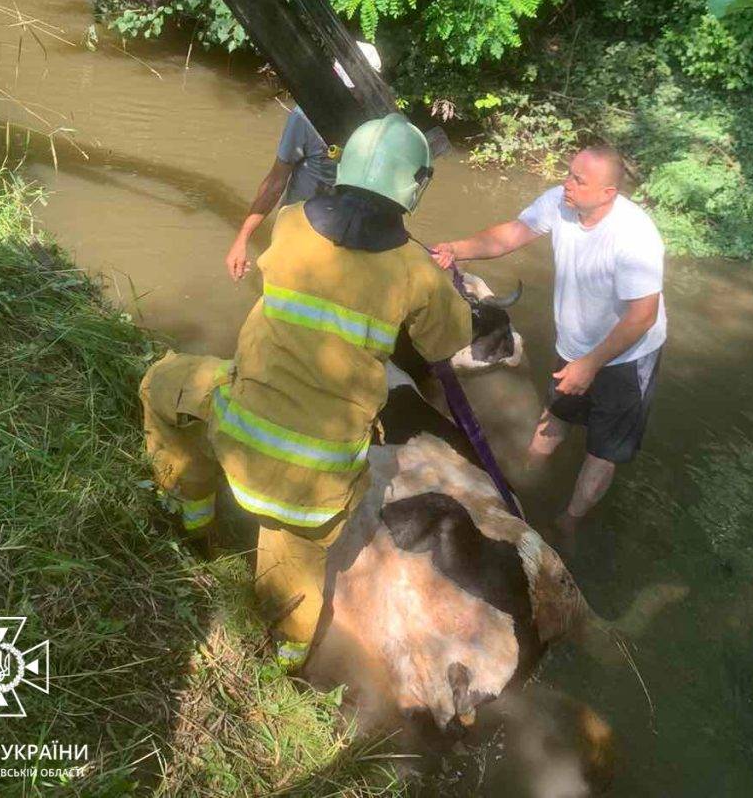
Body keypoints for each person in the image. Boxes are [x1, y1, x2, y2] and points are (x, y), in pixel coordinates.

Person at [142, 114, 472, 669]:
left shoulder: (291, 221)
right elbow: (450, 340)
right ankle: (286, 665)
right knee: (291, 575)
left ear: (346, 162)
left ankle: (190, 518)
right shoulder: (418, 274)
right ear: (415, 187)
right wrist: (447, 283)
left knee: (162, 384)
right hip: (318, 478)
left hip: (237, 430)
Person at [432, 145, 666, 537]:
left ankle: (569, 522)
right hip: (575, 343)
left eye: (579, 179)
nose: (566, 183)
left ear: (608, 193)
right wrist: (457, 250)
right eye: (568, 172)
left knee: (603, 450)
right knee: (556, 412)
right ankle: (524, 481)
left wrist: (590, 365)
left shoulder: (635, 237)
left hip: (627, 356)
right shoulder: (560, 204)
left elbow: (643, 315)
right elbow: (510, 235)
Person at [225, 42, 382, 281]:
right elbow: (277, 180)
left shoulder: (378, 124)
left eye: (360, 89)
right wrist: (242, 239)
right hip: (299, 226)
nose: (354, 95)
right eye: (349, 88)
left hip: (344, 235)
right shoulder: (306, 117)